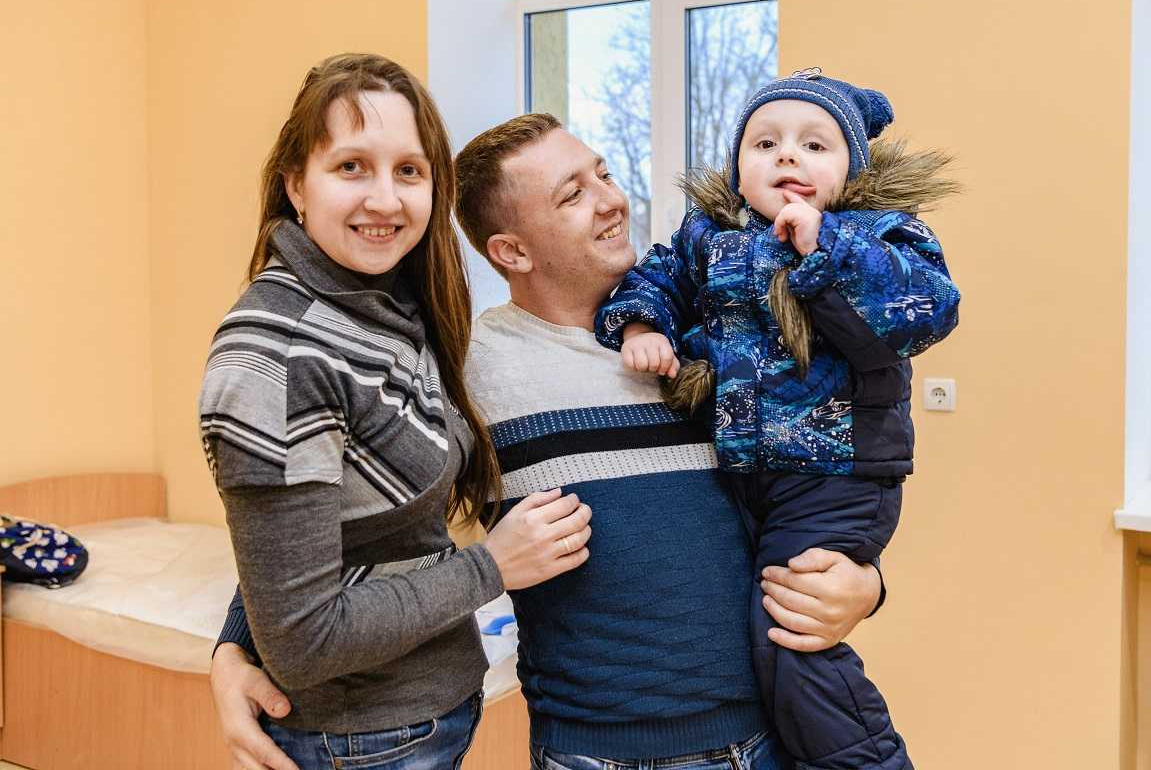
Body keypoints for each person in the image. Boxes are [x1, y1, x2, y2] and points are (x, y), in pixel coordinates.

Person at [210, 112, 885, 770]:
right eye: (573, 195)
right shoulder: (467, 371)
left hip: (767, 737)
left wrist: (867, 583)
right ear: (512, 252)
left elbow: (826, 484)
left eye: (604, 175)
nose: (611, 201)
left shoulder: (714, 336)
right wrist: (235, 646)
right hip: (591, 751)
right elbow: (335, 519)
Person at [198, 54, 592, 770]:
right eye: (351, 166)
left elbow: (316, 541)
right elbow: (304, 637)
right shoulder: (278, 354)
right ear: (295, 184)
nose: (385, 199)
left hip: (418, 718)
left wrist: (233, 641)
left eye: (408, 170)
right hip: (357, 738)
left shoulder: (383, 307)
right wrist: (493, 567)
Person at [594, 69, 961, 770]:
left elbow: (926, 311)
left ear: (851, 169)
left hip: (836, 475)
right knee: (753, 643)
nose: (787, 155)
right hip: (743, 474)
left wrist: (826, 248)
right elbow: (657, 275)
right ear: (739, 168)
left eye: (814, 145)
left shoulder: (878, 233)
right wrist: (642, 323)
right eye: (765, 143)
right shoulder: (708, 235)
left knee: (792, 640)